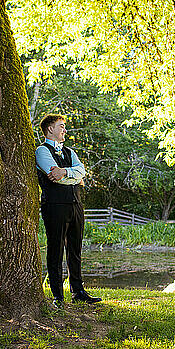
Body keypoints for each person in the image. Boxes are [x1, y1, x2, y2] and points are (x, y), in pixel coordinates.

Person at [36, 114, 101, 308]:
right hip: (54, 207)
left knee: (75, 250)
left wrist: (65, 172)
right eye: (61, 126)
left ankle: (78, 291)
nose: (65, 130)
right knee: (55, 251)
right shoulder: (42, 151)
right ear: (50, 129)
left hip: (76, 205)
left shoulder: (69, 152)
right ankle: (58, 296)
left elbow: (81, 172)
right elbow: (53, 176)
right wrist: (73, 176)